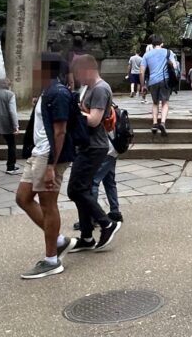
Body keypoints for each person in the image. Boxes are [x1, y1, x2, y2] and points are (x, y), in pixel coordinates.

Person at [14, 53, 80, 279]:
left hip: (50, 156)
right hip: (38, 152)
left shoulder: (58, 93)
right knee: (23, 198)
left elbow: (60, 131)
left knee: (48, 203)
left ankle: (52, 259)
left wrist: (52, 165)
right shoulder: (46, 92)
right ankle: (59, 240)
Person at [66, 54, 121, 252]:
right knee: (84, 190)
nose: (77, 77)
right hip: (86, 144)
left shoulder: (100, 88)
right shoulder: (89, 88)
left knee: (75, 190)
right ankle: (87, 237)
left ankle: (106, 223)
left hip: (95, 146)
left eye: (78, 73)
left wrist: (73, 111)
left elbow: (94, 120)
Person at [140, 34, 176, 134]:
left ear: (152, 44)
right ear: (162, 43)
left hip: (152, 81)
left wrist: (143, 86)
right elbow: (175, 66)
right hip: (165, 81)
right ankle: (163, 123)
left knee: (155, 103)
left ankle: (155, 123)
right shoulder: (168, 52)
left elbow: (141, 72)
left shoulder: (146, 55)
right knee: (165, 102)